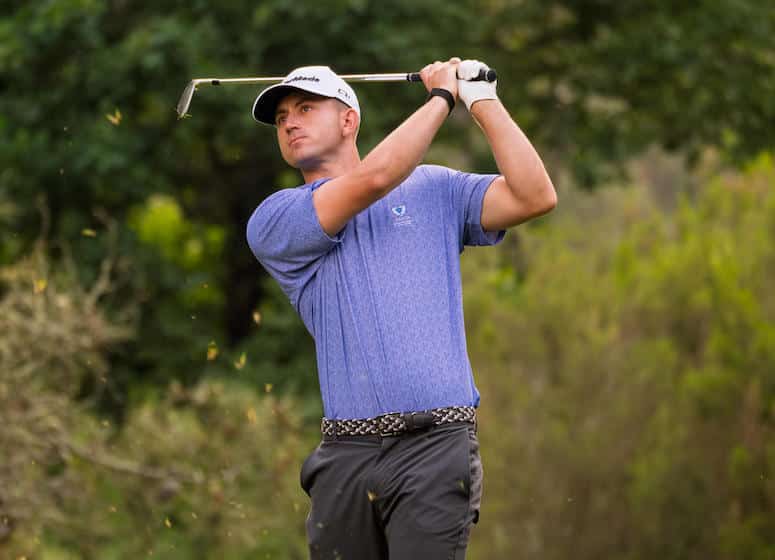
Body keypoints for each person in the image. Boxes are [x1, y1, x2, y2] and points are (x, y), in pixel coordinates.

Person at [246, 57, 556, 559]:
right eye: (282, 118)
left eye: (305, 108)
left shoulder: (435, 189)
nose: (290, 123)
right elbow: (374, 180)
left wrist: (482, 100)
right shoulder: (276, 220)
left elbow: (535, 194)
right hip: (345, 455)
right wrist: (442, 98)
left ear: (349, 119)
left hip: (436, 446)